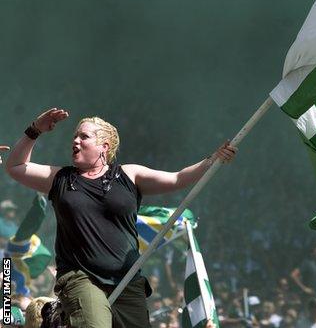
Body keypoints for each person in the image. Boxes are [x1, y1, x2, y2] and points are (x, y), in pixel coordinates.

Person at [4, 108, 238, 328]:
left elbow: (177, 179)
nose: (75, 141)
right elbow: (15, 166)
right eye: (74, 137)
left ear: (103, 146)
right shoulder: (60, 178)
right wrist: (35, 130)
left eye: (83, 137)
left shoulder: (129, 175)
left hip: (127, 282)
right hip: (82, 278)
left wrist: (213, 159)